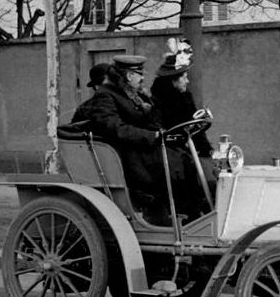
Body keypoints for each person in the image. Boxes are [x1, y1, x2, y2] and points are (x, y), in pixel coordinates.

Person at [83, 55, 173, 225]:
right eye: (139, 74)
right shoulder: (105, 96)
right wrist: (150, 136)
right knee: (172, 167)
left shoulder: (135, 96)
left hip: (141, 149)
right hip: (125, 153)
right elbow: (114, 128)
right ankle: (161, 216)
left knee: (181, 159)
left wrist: (159, 128)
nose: (143, 78)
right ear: (129, 76)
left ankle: (181, 215)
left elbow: (152, 121)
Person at [149, 51, 215, 221]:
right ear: (173, 81)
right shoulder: (157, 102)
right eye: (183, 77)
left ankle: (210, 210)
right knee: (188, 173)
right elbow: (159, 130)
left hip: (187, 148)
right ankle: (189, 216)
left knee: (213, 174)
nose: (187, 81)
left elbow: (193, 127)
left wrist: (206, 150)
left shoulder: (185, 98)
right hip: (167, 151)